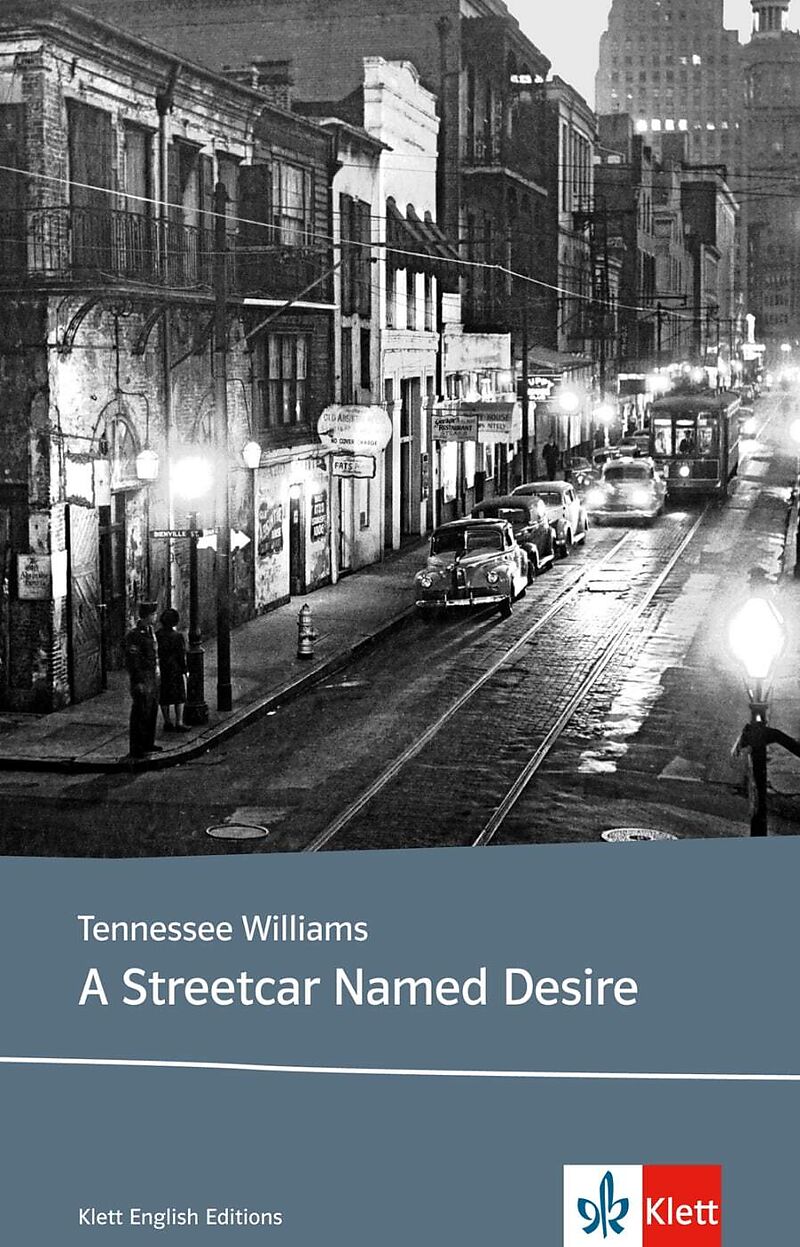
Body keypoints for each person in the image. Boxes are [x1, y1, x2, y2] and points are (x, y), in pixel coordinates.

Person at [124, 601, 162, 758]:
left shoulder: (150, 631)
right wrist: (138, 681)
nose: (155, 616)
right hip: (142, 678)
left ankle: (148, 742)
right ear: (147, 616)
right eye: (153, 614)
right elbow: (133, 661)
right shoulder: (135, 635)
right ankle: (137, 747)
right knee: (140, 712)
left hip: (152, 677)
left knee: (151, 710)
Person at [156, 608, 189, 732]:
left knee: (164, 695)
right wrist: (185, 670)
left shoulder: (157, 635)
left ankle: (167, 721)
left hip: (163, 667)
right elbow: (181, 655)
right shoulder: (177, 636)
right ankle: (179, 722)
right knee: (179, 696)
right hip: (175, 669)